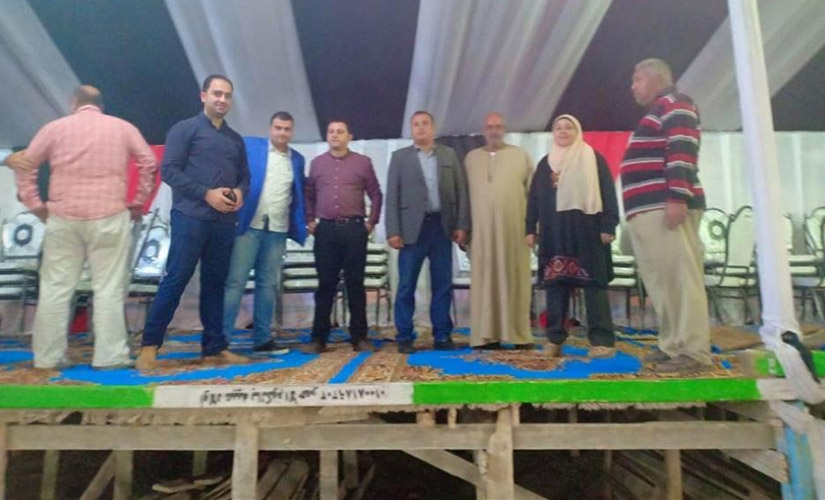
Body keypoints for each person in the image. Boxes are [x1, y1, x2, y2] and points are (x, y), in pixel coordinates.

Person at [15, 85, 157, 369]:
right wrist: (138, 202)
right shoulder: (122, 128)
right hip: (110, 216)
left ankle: (48, 358)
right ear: (101, 105)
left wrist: (35, 203)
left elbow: (25, 164)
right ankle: (110, 356)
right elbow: (149, 163)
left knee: (56, 289)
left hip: (63, 217)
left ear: (74, 103)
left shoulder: (54, 128)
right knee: (108, 288)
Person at [136, 74, 250, 371]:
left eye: (227, 95)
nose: (222, 99)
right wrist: (206, 194)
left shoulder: (235, 139)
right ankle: (149, 346)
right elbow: (170, 171)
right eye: (217, 93)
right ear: (203, 96)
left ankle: (214, 348)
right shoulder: (184, 129)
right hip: (190, 217)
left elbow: (245, 177)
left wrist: (240, 192)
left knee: (216, 284)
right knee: (176, 279)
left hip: (223, 222)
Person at [621, 58, 711, 372]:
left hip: (665, 206)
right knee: (662, 283)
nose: (633, 87)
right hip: (649, 209)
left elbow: (682, 148)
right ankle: (672, 345)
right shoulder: (659, 110)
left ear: (657, 78)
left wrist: (677, 197)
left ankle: (694, 352)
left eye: (638, 79)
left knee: (680, 279)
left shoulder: (676, 103)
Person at [526, 115, 618, 358]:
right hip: (555, 232)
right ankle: (554, 340)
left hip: (588, 232)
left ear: (577, 131)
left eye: (568, 127)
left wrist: (608, 225)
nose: (563, 131)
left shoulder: (593, 158)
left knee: (594, 285)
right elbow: (534, 199)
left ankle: (602, 341)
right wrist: (530, 229)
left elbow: (608, 192)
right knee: (556, 284)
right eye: (558, 128)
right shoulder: (545, 164)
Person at [222, 111, 307, 354]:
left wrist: (301, 224)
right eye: (278, 128)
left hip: (277, 229)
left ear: (292, 132)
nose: (282, 133)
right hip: (249, 225)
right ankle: (221, 339)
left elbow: (298, 194)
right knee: (235, 282)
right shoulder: (251, 147)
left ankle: (262, 339)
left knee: (268, 285)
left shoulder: (297, 159)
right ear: (270, 129)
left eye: (287, 129)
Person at [385, 111, 470, 353]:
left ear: (433, 128)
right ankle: (404, 335)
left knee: (442, 284)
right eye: (416, 124)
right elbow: (392, 196)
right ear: (411, 130)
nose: (421, 128)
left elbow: (461, 191)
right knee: (406, 285)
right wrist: (393, 231)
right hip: (411, 231)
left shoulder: (448, 155)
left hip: (442, 227)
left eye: (425, 124)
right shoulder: (400, 157)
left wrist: (461, 225)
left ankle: (442, 335)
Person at [304, 120, 383, 353]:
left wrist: (370, 223)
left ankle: (359, 337)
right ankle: (319, 338)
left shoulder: (363, 163)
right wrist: (310, 220)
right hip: (326, 231)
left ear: (350, 136)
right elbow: (308, 195)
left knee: (355, 285)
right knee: (325, 285)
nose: (335, 135)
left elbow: (376, 194)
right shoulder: (317, 164)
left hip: (354, 231)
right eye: (331, 132)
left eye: (340, 132)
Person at [464, 112, 534, 349]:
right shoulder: (471, 159)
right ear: (484, 130)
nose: (494, 131)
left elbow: (534, 196)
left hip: (514, 234)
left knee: (516, 281)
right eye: (489, 127)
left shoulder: (521, 156)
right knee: (484, 283)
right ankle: (485, 336)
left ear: (504, 129)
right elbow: (463, 197)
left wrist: (533, 229)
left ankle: (519, 335)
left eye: (498, 126)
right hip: (481, 235)